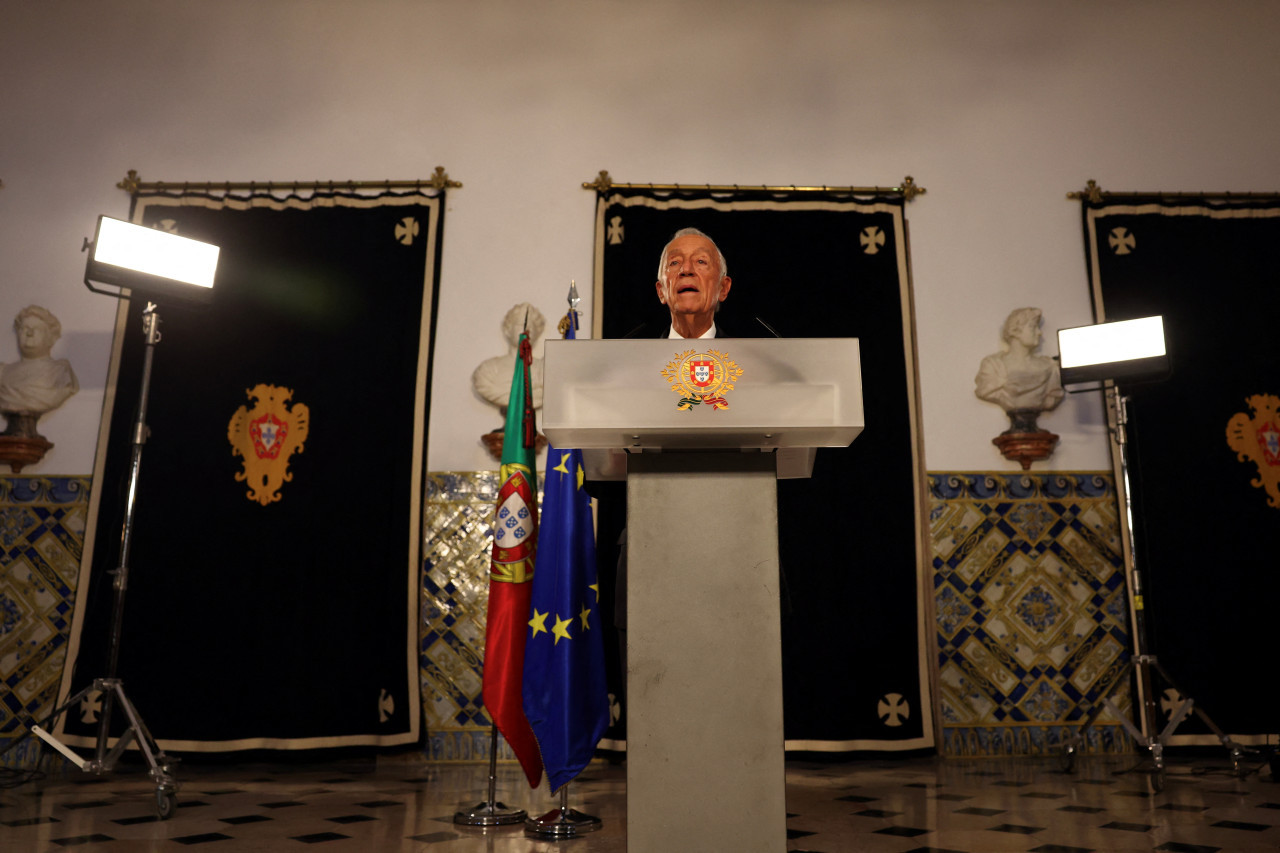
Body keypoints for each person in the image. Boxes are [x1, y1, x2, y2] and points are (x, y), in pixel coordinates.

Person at [974, 307, 1064, 422]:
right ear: (1015, 331)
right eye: (1033, 327)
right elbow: (984, 390)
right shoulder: (993, 366)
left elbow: (1053, 396)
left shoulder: (1050, 367)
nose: (1039, 332)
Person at [0, 306, 79, 430]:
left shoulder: (60, 372)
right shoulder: (3, 371)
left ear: (51, 338)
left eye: (37, 329)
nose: (29, 333)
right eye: (24, 329)